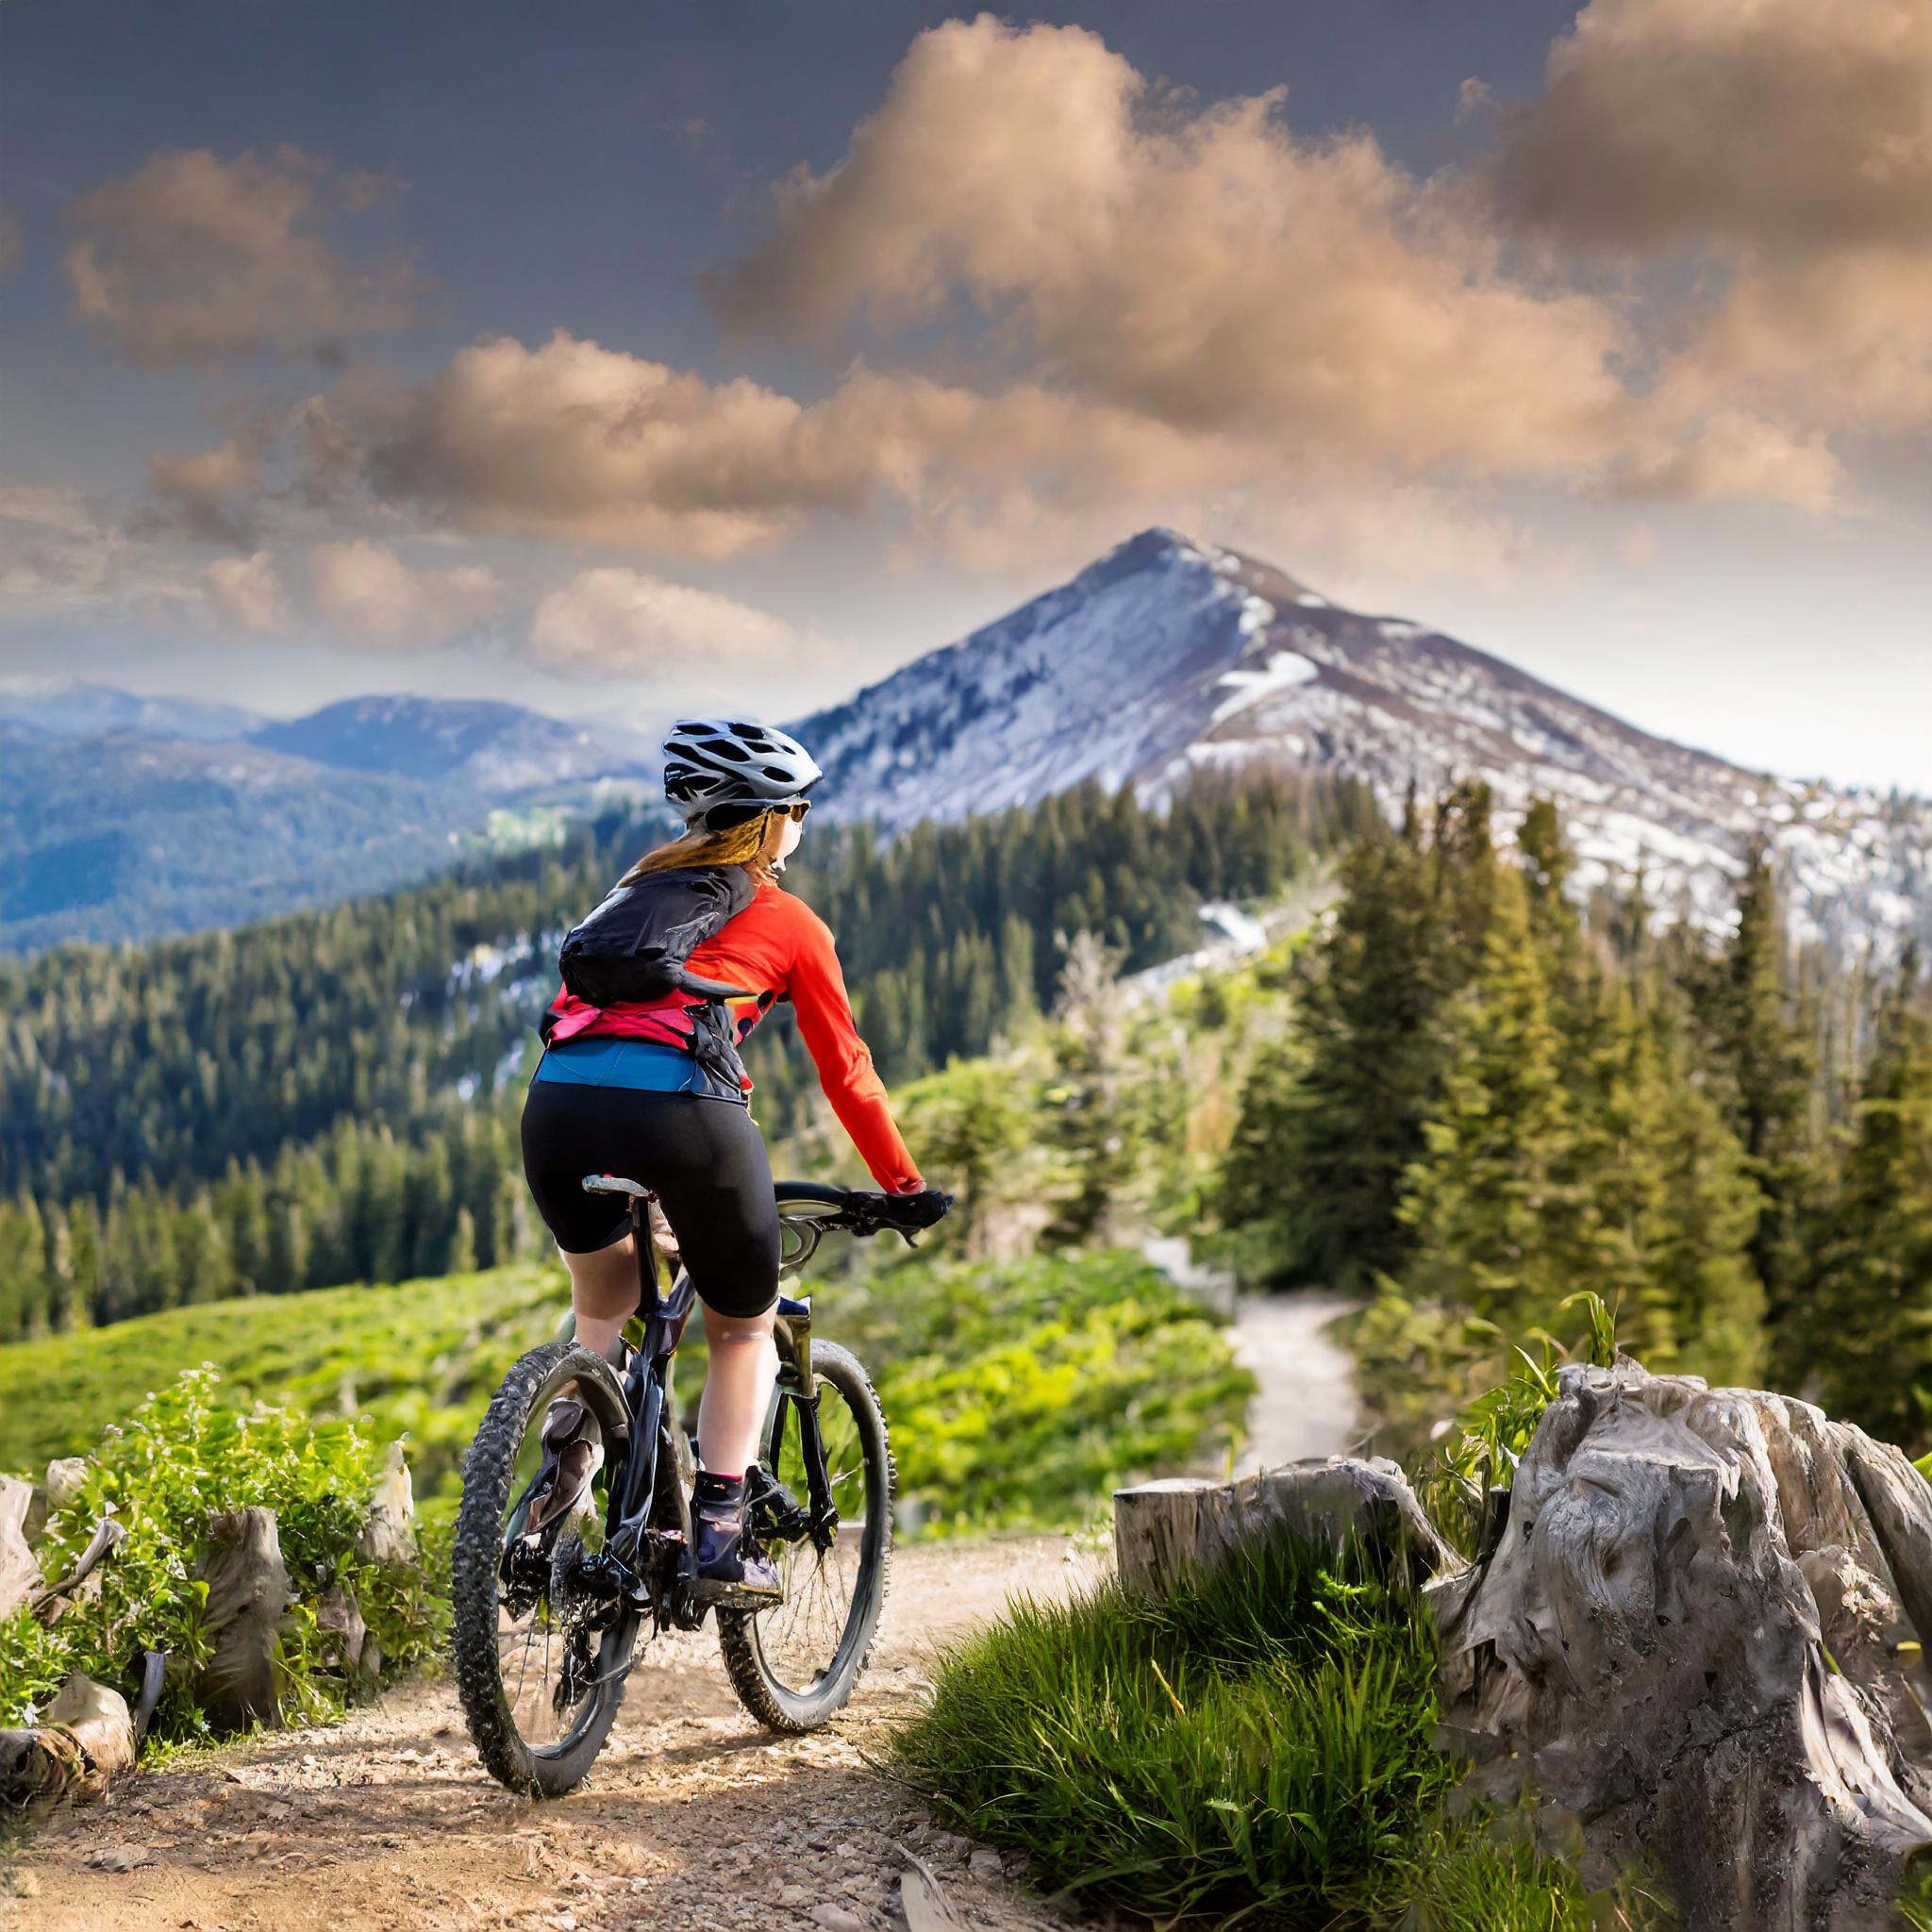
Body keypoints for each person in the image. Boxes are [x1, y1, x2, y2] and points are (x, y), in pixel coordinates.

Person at [518, 717, 945, 1600]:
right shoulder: (789, 920)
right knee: (743, 1325)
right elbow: (850, 1075)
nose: (807, 820)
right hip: (685, 1122)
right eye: (801, 805)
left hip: (556, 1109)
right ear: (770, 819)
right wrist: (904, 1187)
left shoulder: (632, 897)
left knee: (600, 1308)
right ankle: (717, 1535)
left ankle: (547, 1503)